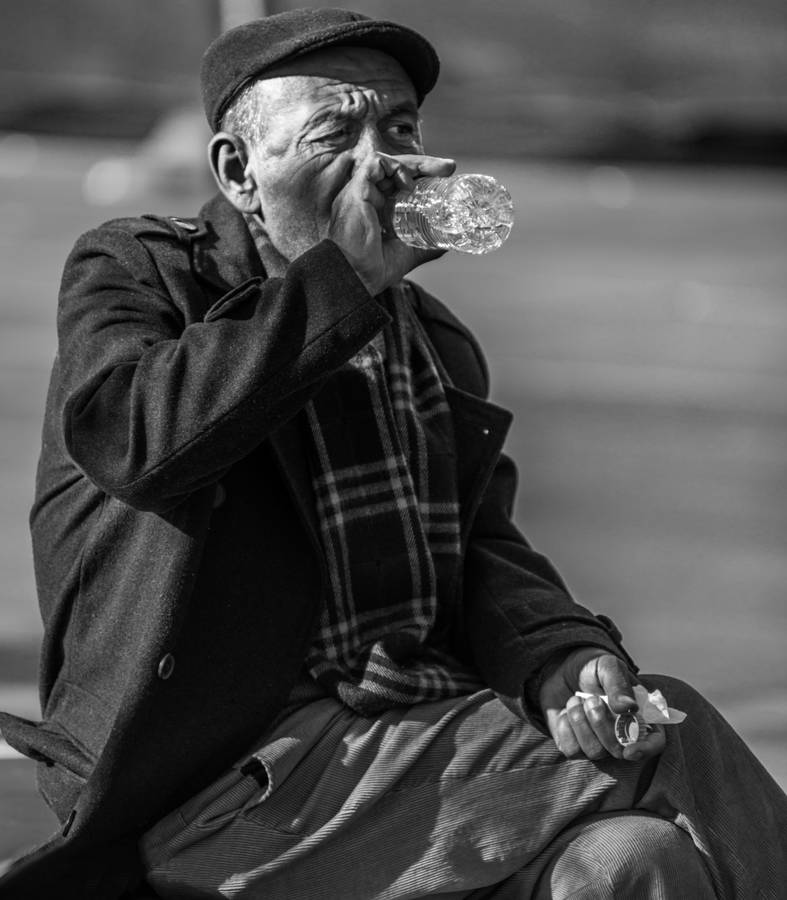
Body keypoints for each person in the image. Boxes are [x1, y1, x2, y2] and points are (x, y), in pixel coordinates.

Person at [0, 8, 785, 899]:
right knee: (677, 739)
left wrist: (557, 654)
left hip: (413, 745)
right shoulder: (144, 274)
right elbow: (135, 443)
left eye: (401, 126)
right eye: (337, 131)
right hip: (232, 786)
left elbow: (480, 551)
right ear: (239, 170)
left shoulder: (429, 337)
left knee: (633, 864)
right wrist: (340, 285)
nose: (385, 159)